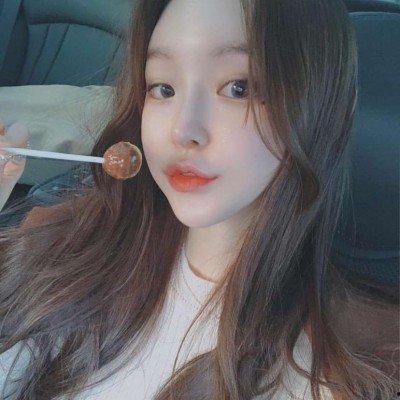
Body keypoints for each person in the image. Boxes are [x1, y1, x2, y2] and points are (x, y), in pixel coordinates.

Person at [0, 0, 397, 399]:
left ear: (326, 107)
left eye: (239, 88)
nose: (183, 130)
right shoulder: (58, 246)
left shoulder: (339, 373)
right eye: (164, 89)